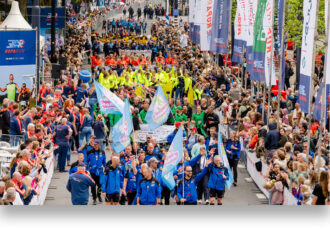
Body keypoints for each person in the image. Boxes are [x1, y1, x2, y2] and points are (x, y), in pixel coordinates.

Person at [87, 140, 106, 205]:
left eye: (96, 144)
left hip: (100, 171)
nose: (95, 145)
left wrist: (105, 169)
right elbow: (86, 161)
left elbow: (104, 162)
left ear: (99, 144)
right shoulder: (90, 152)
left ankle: (99, 195)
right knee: (93, 185)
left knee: (100, 185)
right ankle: (94, 198)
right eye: (94, 144)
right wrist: (87, 169)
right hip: (92, 171)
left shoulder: (102, 152)